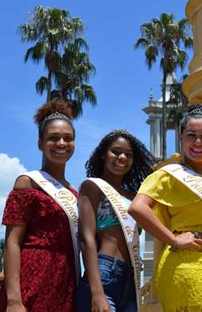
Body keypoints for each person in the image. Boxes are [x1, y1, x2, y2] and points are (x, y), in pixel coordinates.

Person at [128, 104, 202, 311]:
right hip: (187, 261)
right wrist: (174, 239)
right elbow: (138, 208)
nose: (198, 142)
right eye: (191, 135)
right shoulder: (170, 174)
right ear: (181, 137)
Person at [0, 101, 79, 311]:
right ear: (40, 143)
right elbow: (12, 243)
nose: (61, 143)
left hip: (66, 285)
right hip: (31, 282)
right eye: (53, 138)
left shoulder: (74, 194)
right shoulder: (27, 183)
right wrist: (14, 300)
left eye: (68, 138)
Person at [77, 129, 155, 311]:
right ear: (103, 154)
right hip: (103, 273)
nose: (122, 158)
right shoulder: (93, 186)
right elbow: (86, 239)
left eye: (128, 154)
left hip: (131, 277)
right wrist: (97, 293)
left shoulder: (134, 197)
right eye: (116, 151)